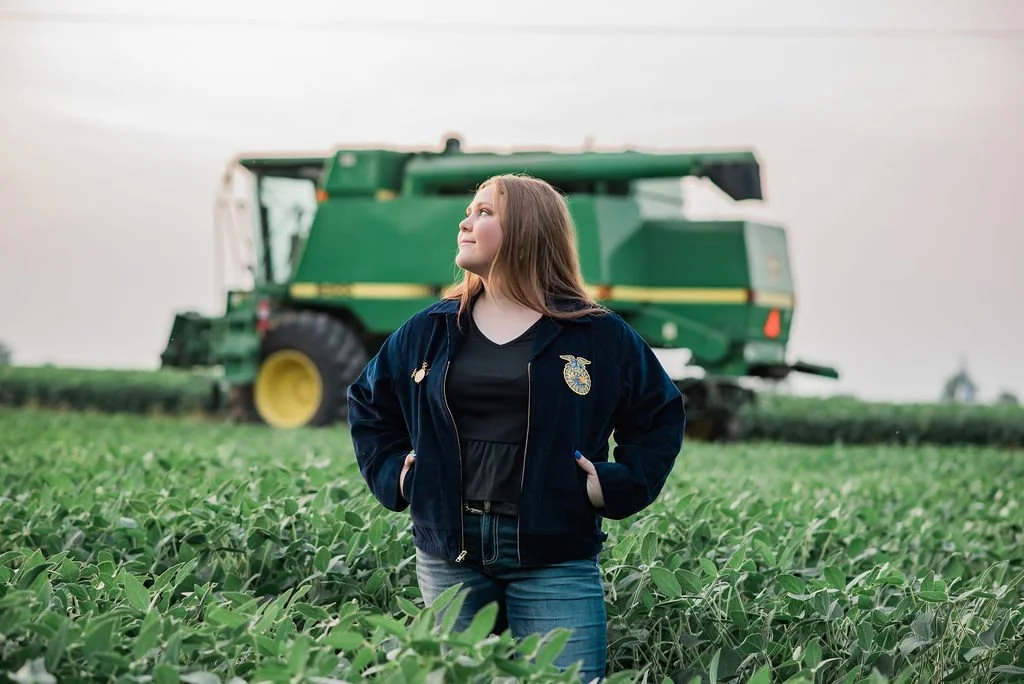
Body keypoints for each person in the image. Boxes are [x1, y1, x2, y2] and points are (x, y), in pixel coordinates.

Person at [347, 173, 685, 682]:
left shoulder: (598, 335)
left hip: (554, 555)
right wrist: (395, 475)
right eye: (470, 210)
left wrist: (615, 485)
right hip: (448, 553)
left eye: (485, 212)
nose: (466, 220)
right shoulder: (429, 329)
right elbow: (368, 402)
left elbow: (660, 416)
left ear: (528, 230)